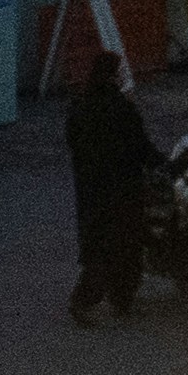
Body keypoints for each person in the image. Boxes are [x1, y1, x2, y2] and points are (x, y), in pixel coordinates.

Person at [62, 54, 157, 324]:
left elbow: (74, 145)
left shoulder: (79, 107)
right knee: (126, 245)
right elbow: (142, 149)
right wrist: (168, 164)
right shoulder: (123, 109)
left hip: (90, 190)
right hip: (125, 190)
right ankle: (117, 298)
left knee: (98, 245)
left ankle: (89, 298)